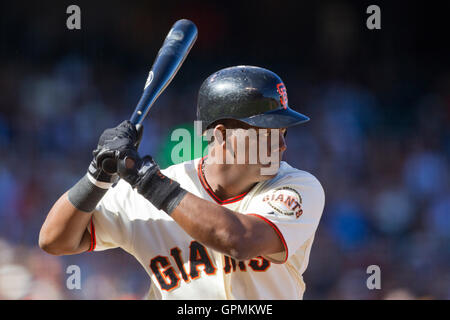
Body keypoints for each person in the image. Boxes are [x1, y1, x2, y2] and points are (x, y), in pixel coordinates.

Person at [39, 65, 325, 299]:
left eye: (284, 133)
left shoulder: (297, 187)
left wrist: (146, 180)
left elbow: (238, 240)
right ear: (222, 135)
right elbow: (54, 240)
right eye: (269, 132)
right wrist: (98, 174)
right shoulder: (152, 189)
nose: (282, 145)